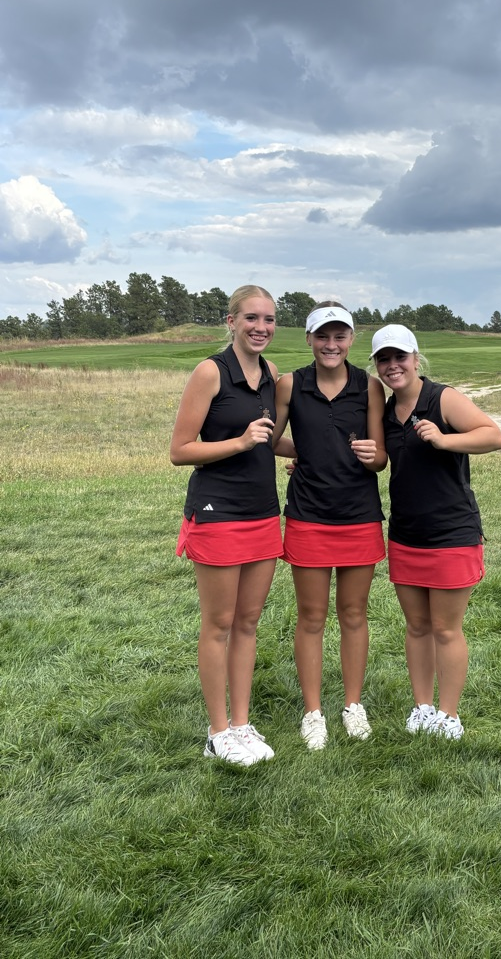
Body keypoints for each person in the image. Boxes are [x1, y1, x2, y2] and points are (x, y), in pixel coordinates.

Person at [170, 284, 295, 767]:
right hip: (218, 512)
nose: (260, 327)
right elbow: (181, 451)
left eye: (268, 319)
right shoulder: (209, 372)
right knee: (219, 624)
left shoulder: (271, 375)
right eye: (251, 319)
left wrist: (319, 455)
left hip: (263, 511)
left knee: (247, 622)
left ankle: (242, 724)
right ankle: (217, 730)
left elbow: (271, 440)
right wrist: (239, 443)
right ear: (231, 321)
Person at [370, 324, 501, 739]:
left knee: (446, 628)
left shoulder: (441, 397)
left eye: (400, 357)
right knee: (416, 627)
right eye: (384, 360)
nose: (394, 366)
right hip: (407, 533)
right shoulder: (388, 412)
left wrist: (445, 440)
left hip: (452, 532)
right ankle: (422, 707)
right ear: (377, 366)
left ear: (415, 358)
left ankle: (449, 714)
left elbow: (493, 436)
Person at [273, 302, 387, 750]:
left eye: (340, 336)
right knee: (312, 616)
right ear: (309, 339)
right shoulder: (291, 384)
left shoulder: (370, 387)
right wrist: (299, 454)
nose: (331, 344)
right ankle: (313, 711)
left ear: (351, 340)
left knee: (354, 614)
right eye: (323, 336)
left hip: (359, 516)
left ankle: (353, 705)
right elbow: (270, 438)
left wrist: (372, 456)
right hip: (308, 516)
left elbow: (380, 457)